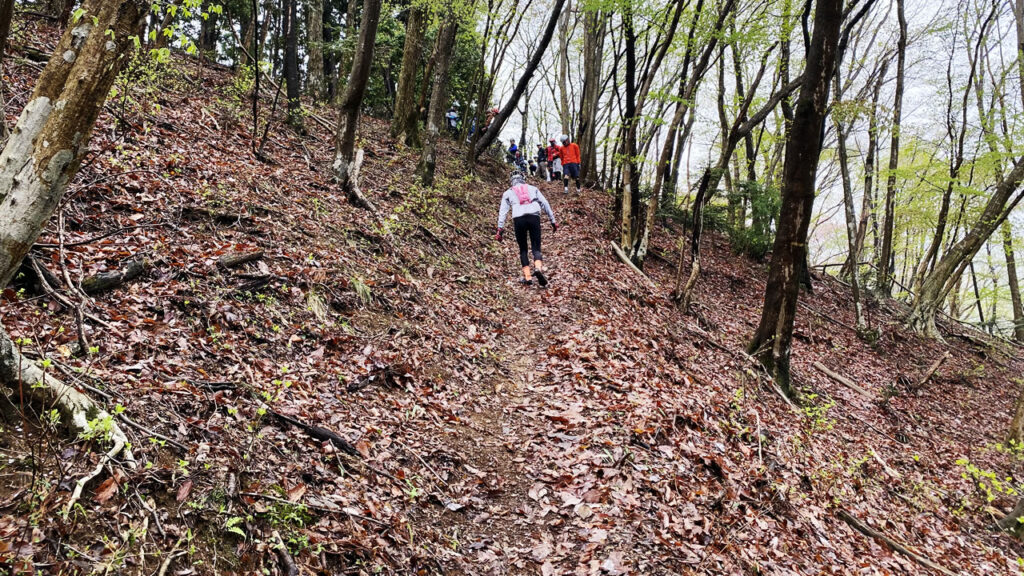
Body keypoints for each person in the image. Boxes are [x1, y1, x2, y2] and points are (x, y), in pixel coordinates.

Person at [496, 171, 557, 287]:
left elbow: (503, 211)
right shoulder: (533, 188)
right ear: (523, 179)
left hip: (518, 219)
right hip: (534, 217)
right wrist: (553, 221)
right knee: (536, 246)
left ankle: (528, 277)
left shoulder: (508, 193)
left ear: (512, 181)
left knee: (523, 248)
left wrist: (500, 228)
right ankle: (538, 268)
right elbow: (545, 203)